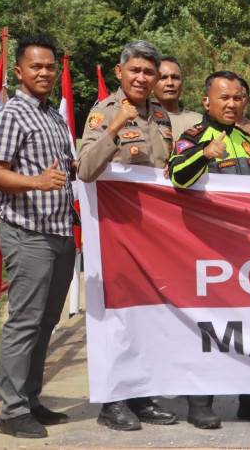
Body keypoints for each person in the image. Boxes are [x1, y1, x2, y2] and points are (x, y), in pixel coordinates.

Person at [169, 70, 250, 426]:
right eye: (224, 97)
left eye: (238, 97)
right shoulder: (193, 136)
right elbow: (177, 177)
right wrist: (206, 154)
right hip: (208, 249)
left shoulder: (249, 139)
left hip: (247, 250)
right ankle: (200, 404)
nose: (232, 103)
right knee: (206, 327)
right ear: (207, 102)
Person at [78, 40, 180, 431]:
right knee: (117, 318)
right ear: (120, 72)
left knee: (148, 317)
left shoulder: (161, 115)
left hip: (154, 237)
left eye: (149, 72)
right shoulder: (105, 111)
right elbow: (85, 169)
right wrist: (116, 126)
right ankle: (112, 401)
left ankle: (141, 395)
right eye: (135, 70)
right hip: (116, 235)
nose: (142, 78)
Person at [0, 35, 78, 439]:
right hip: (28, 232)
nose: (45, 73)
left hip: (60, 230)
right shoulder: (11, 115)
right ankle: (12, 411)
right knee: (24, 321)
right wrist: (37, 182)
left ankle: (30, 399)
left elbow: (68, 169)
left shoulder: (53, 116)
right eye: (36, 66)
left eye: (50, 67)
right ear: (19, 71)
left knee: (46, 321)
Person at [153, 56, 202, 140]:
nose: (170, 83)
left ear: (182, 83)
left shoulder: (198, 121)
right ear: (152, 84)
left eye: (175, 77)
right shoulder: (142, 120)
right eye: (163, 78)